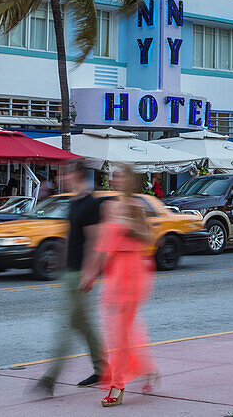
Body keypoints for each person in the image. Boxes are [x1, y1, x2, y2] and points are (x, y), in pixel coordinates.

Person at [35, 161, 108, 395]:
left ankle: (50, 378)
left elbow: (95, 241)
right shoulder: (72, 202)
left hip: (80, 274)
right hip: (68, 272)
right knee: (83, 324)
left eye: (65, 172)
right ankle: (103, 368)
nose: (61, 177)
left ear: (77, 174)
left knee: (66, 325)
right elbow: (72, 235)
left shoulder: (90, 204)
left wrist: (90, 271)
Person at [89, 164, 158, 407]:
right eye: (112, 176)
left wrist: (131, 228)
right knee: (120, 329)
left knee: (119, 330)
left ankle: (118, 384)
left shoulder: (135, 207)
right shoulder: (109, 206)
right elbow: (103, 243)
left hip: (134, 271)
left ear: (130, 180)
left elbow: (149, 240)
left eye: (119, 176)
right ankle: (147, 368)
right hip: (114, 272)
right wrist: (91, 272)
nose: (114, 179)